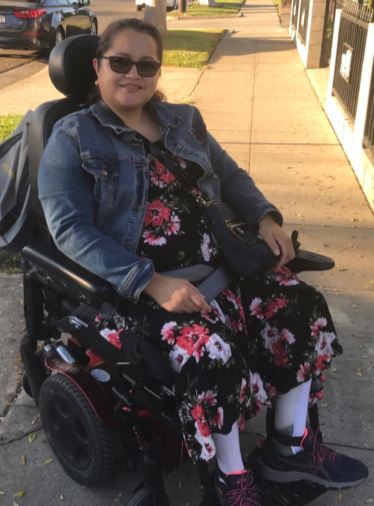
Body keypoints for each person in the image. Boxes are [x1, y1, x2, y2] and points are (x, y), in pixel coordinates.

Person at [37, 18, 367, 505]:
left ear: (158, 70)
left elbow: (230, 176)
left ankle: (289, 448)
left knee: (303, 305)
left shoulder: (182, 119)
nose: (133, 74)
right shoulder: (73, 136)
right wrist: (150, 282)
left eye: (146, 64)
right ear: (96, 66)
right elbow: (68, 228)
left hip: (224, 269)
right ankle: (232, 482)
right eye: (120, 62)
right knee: (210, 353)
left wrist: (265, 218)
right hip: (140, 290)